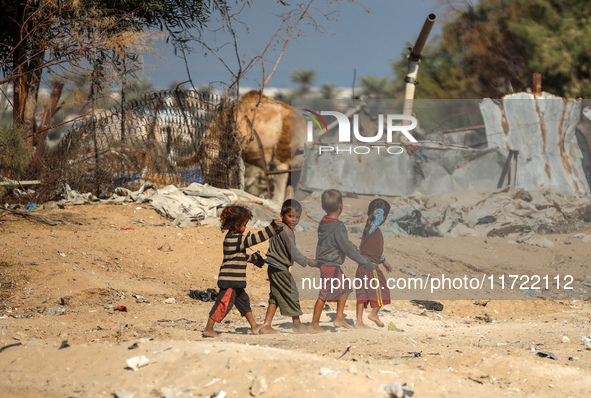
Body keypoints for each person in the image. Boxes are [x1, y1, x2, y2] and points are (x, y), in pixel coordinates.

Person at [203, 205, 282, 338]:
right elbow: (255, 239)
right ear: (235, 225)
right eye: (244, 224)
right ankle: (209, 328)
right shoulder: (234, 239)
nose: (245, 228)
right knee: (222, 305)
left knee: (244, 303)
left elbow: (242, 257)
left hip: (237, 284)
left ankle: (254, 326)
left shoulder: (236, 239)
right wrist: (272, 227)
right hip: (230, 282)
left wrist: (255, 259)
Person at [310, 189, 375, 333]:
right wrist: (365, 263)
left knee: (345, 288)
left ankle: (339, 318)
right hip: (330, 264)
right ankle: (314, 325)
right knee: (324, 294)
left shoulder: (324, 222)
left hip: (328, 263)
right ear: (341, 206)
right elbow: (346, 247)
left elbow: (340, 243)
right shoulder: (338, 226)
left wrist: (352, 247)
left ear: (323, 207)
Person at [261, 199, 318, 334]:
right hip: (280, 267)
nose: (294, 220)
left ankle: (266, 325)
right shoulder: (286, 231)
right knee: (292, 293)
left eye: (297, 217)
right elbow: (293, 251)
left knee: (275, 296)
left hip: (273, 266)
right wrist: (307, 261)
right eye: (291, 216)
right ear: (282, 215)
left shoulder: (276, 226)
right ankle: (297, 324)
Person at [355, 198, 393, 329]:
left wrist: (384, 261)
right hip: (371, 268)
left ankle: (359, 321)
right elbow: (376, 219)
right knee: (382, 290)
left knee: (362, 294)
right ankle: (373, 314)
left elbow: (374, 250)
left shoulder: (369, 230)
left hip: (361, 268)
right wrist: (377, 213)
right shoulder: (373, 228)